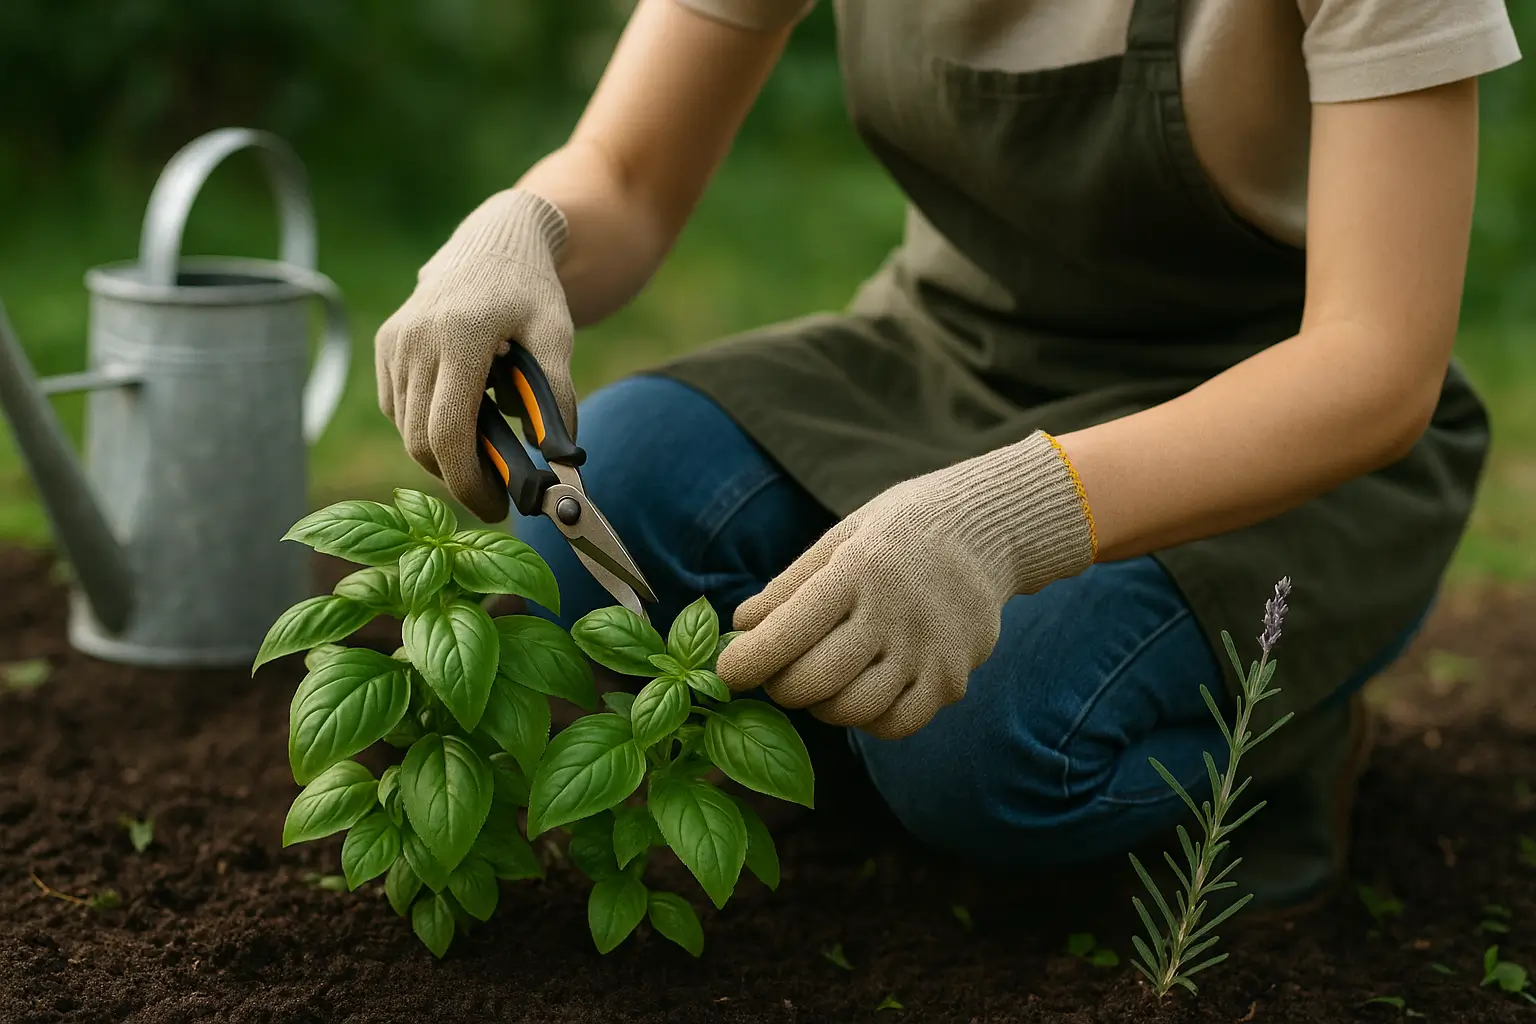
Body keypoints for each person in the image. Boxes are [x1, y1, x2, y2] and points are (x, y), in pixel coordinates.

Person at [373, 0, 1520, 911]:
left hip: (1254, 425)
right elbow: (623, 171)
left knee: (979, 752)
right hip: (940, 352)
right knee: (583, 520)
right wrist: (523, 227)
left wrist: (1013, 513)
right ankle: (868, 729)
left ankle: (1282, 745)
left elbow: (1374, 363)